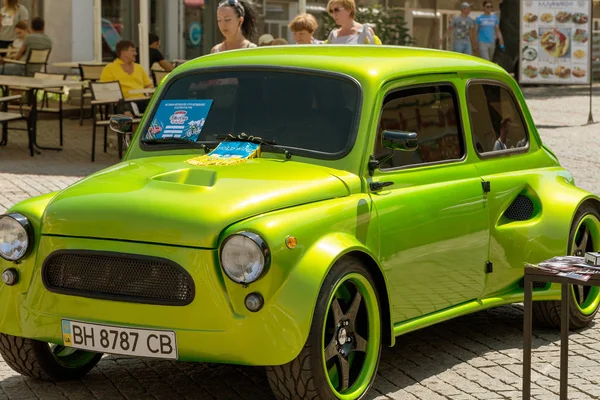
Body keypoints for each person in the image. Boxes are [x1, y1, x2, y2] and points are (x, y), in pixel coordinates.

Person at [100, 39, 153, 115]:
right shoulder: (110, 68)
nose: (135, 53)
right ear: (123, 52)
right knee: (127, 110)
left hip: (141, 100)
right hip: (122, 101)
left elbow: (148, 86)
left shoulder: (139, 68)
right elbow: (105, 89)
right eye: (132, 51)